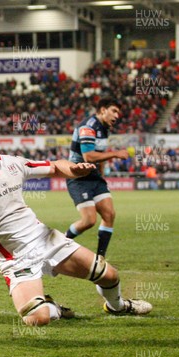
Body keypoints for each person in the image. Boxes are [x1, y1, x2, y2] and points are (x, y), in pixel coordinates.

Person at [0, 128, 151, 327]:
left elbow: (55, 166)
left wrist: (73, 170)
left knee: (108, 275)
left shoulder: (12, 162)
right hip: (16, 258)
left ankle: (118, 306)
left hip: (43, 238)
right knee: (37, 319)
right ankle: (52, 307)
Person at [65, 97, 130, 257]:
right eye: (114, 111)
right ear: (103, 110)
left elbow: (100, 155)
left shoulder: (104, 128)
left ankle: (100, 258)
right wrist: (116, 153)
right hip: (79, 176)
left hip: (94, 177)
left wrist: (101, 176)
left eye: (118, 112)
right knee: (89, 221)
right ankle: (61, 241)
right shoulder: (88, 127)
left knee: (109, 214)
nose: (117, 116)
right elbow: (88, 157)